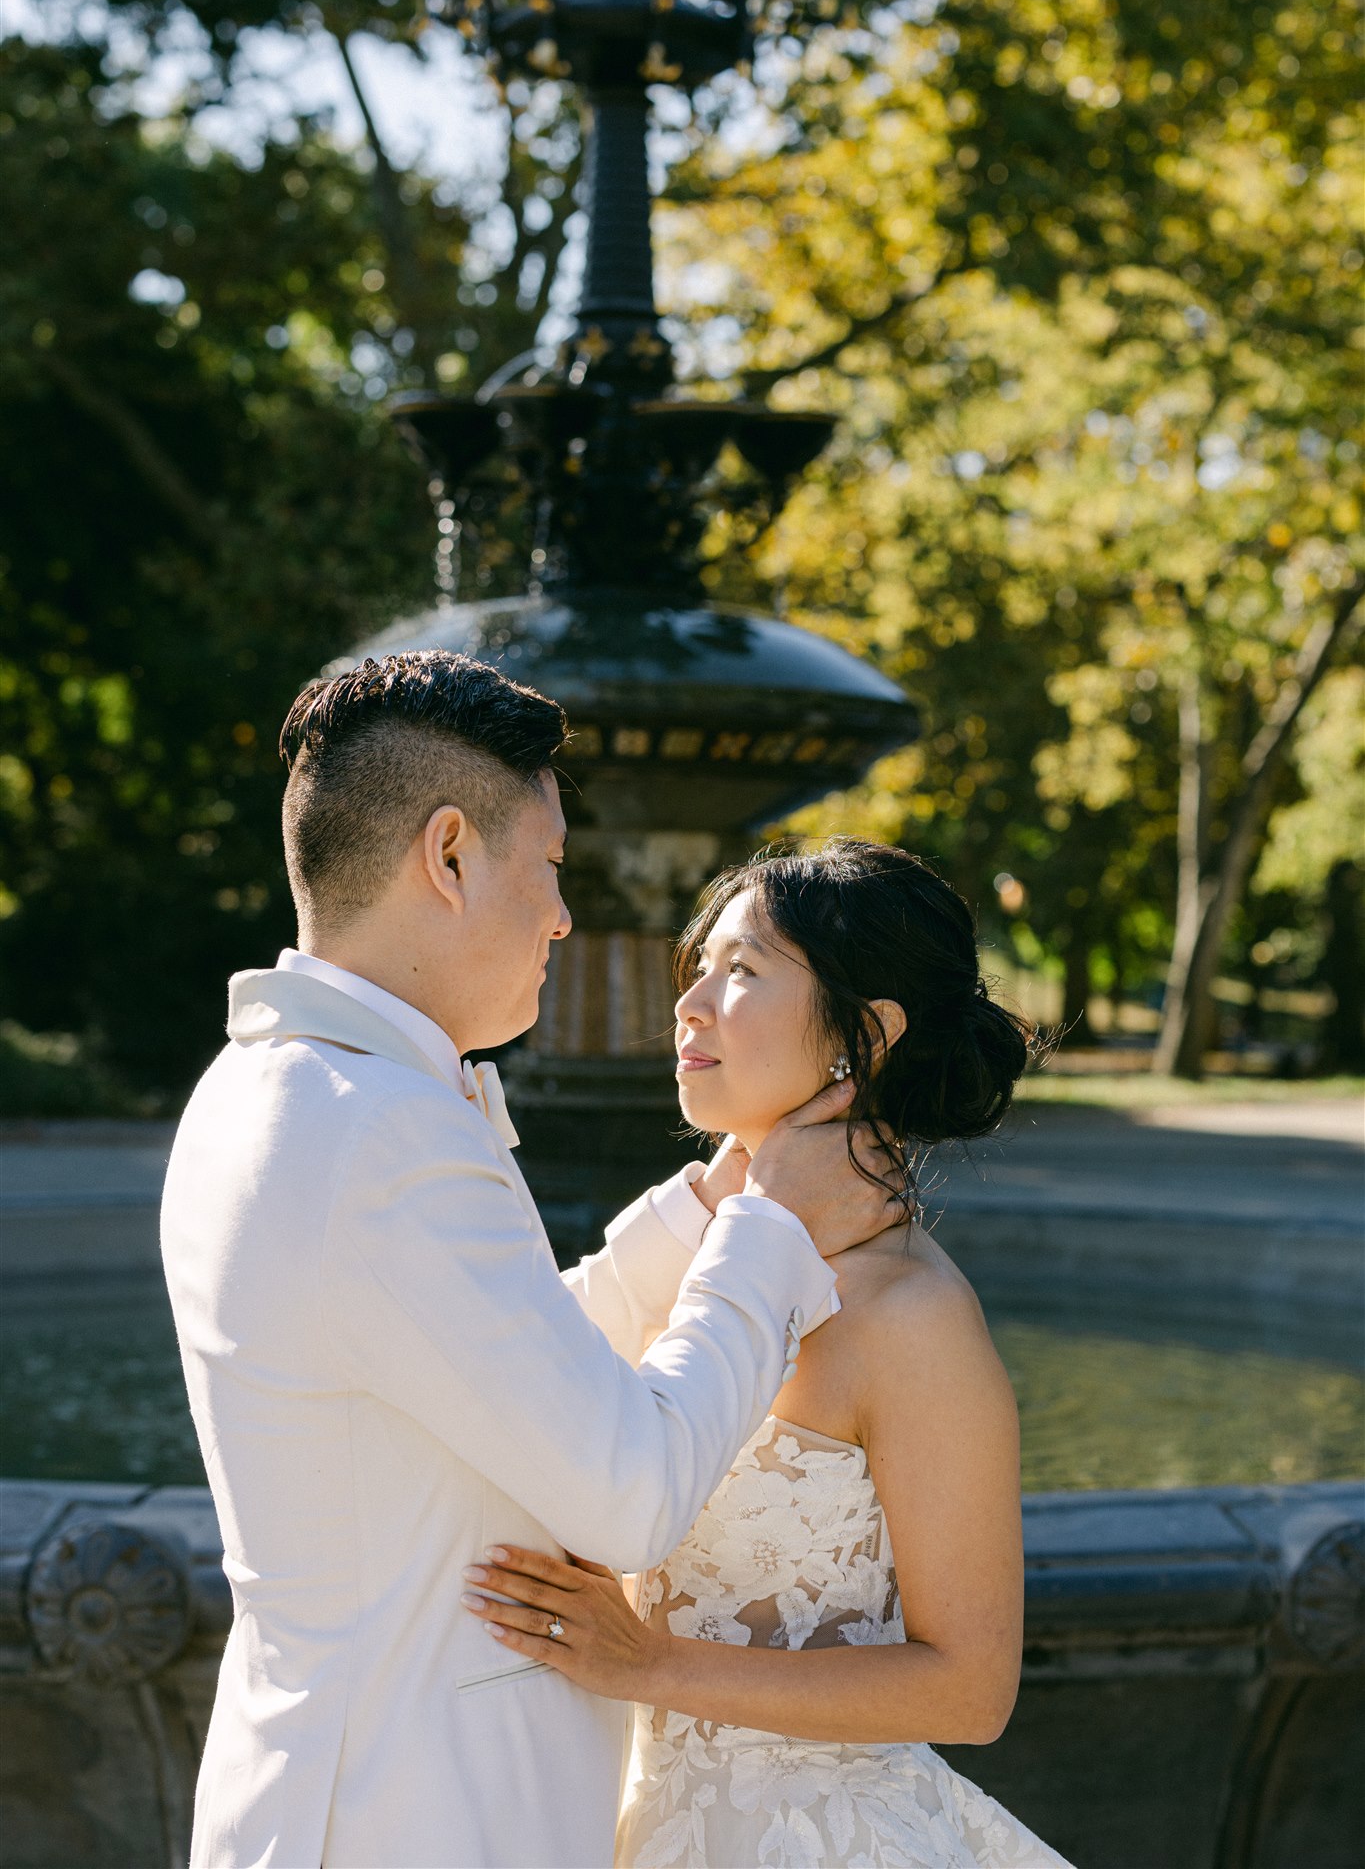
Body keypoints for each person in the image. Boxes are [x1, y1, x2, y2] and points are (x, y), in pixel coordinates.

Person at [162, 650, 902, 1869]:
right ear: (449, 855)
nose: (565, 912)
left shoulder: (268, 1086)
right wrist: (771, 1221)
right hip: (421, 1817)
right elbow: (630, 1491)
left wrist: (698, 1206)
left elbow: (488, 1365)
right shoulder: (381, 1131)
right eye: (548, 866)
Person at [463, 838, 1074, 1869]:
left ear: (869, 1035)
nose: (690, 1001)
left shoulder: (914, 1316)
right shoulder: (695, 1264)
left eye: (741, 971)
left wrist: (651, 1661)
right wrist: (725, 1192)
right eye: (700, 965)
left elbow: (972, 1687)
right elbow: (520, 1378)